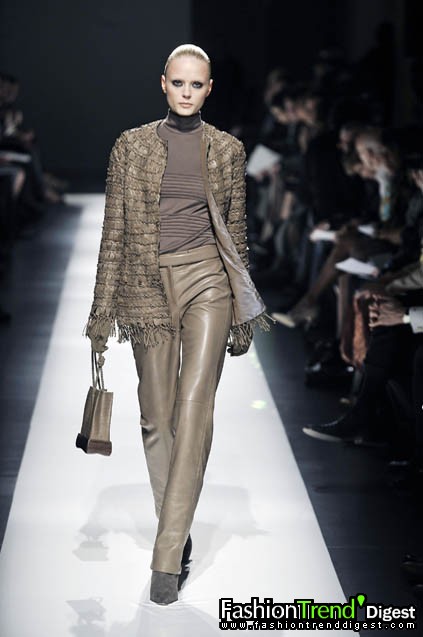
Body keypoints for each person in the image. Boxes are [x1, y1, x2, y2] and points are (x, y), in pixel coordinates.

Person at [82, 44, 270, 605]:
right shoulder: (131, 146)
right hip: (145, 283)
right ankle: (178, 525)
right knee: (155, 416)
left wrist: (240, 314)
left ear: (209, 89)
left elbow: (236, 233)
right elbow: (114, 230)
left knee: (194, 409)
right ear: (163, 84)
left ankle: (167, 556)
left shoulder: (228, 149)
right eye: (179, 83)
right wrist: (101, 311)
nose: (188, 92)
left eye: (197, 84)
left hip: (208, 279)